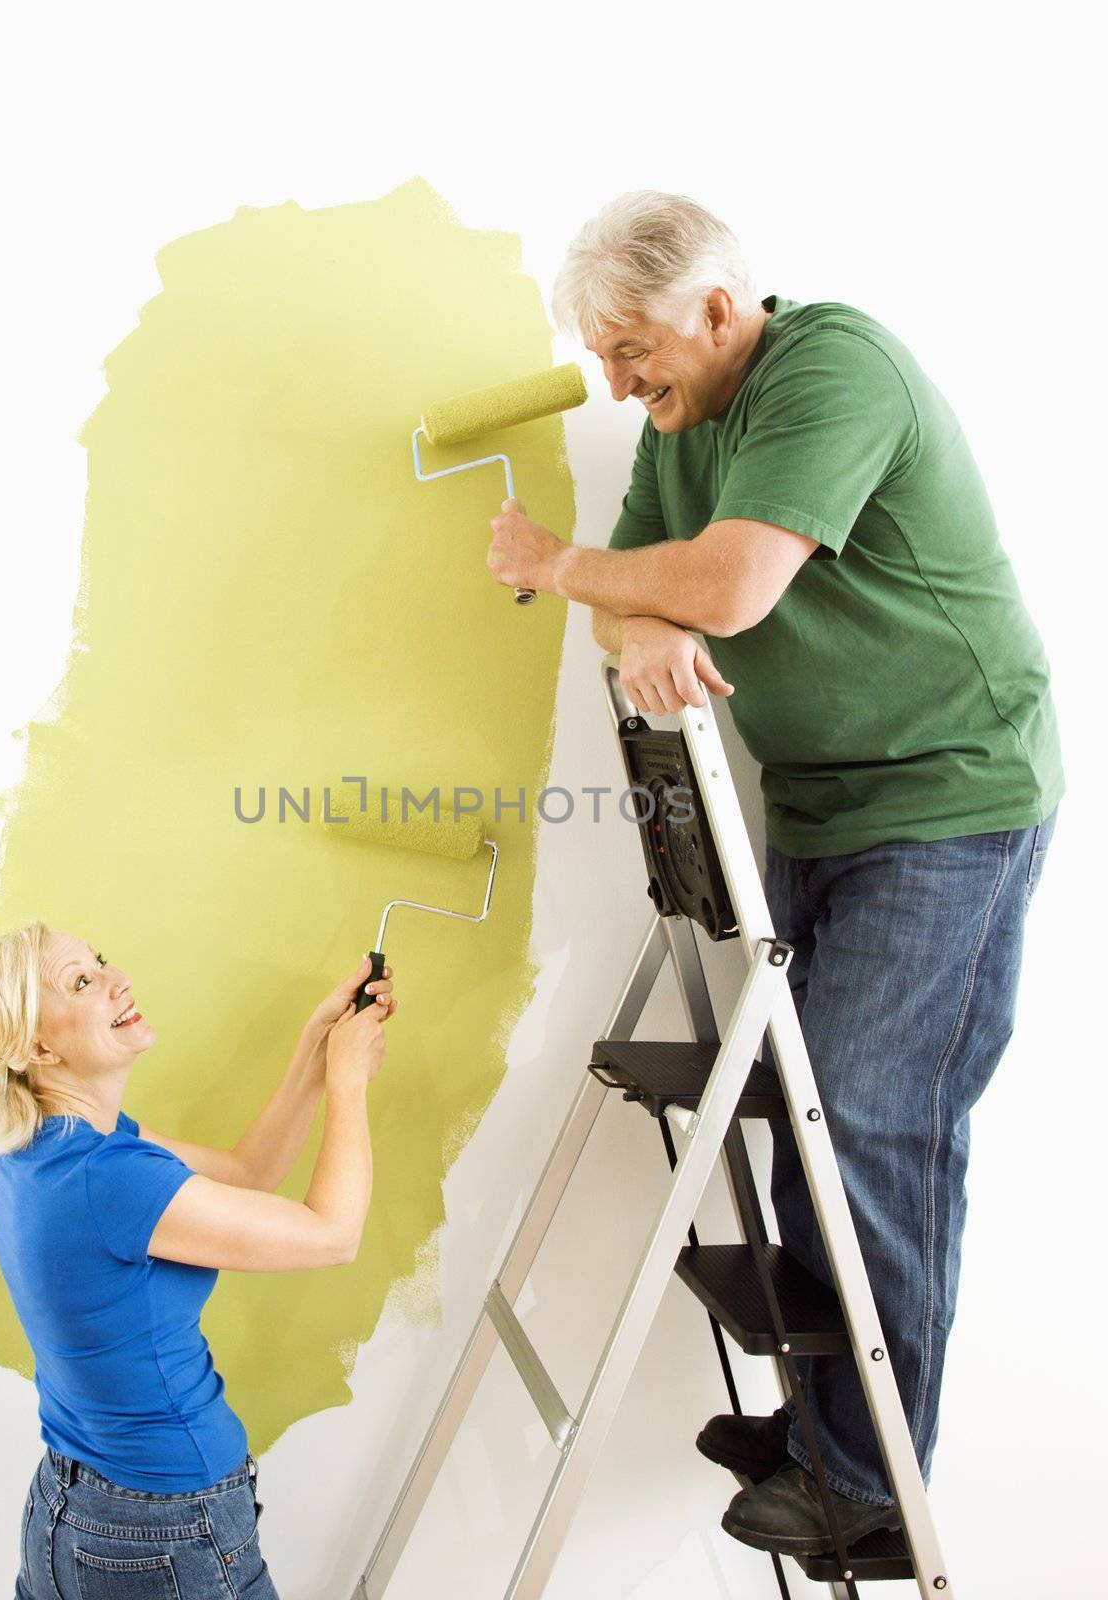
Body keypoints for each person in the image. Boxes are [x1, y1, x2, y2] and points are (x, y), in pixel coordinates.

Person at [484, 191, 1063, 1556]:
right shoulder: (675, 429)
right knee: (804, 1113)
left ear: (716, 308)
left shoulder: (831, 369)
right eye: (600, 358)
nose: (615, 383)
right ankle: (821, 1419)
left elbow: (726, 587)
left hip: (945, 799)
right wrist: (628, 614)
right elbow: (645, 584)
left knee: (872, 1115)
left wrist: (563, 568)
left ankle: (866, 1475)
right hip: (815, 807)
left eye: (628, 349)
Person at [0, 922, 397, 1598]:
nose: (116, 978)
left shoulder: (46, 1146)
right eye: (81, 982)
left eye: (96, 963)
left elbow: (244, 1174)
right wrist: (350, 1082)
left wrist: (315, 1049)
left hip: (74, 1516)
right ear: (38, 1045)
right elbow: (334, 1236)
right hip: (161, 1534)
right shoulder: (108, 1179)